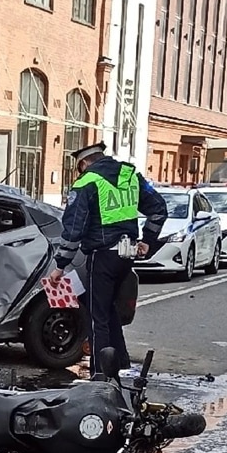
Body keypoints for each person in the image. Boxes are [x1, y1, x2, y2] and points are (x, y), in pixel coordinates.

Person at [57, 140, 167, 376]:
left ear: (84, 163)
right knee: (109, 310)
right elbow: (159, 208)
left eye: (80, 167)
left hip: (102, 255)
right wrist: (147, 240)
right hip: (126, 256)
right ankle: (119, 362)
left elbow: (73, 228)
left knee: (98, 318)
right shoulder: (130, 175)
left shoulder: (86, 182)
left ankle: (101, 374)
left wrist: (60, 265)